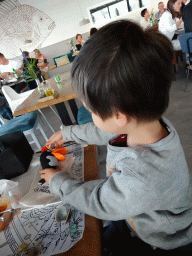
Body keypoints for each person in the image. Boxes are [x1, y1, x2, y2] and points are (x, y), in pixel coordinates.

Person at [40, 20, 192, 253]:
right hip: (136, 214)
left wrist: (57, 181)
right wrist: (68, 132)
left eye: (91, 110)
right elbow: (103, 131)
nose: (90, 114)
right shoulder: (146, 122)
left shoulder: (143, 176)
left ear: (119, 115)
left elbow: (99, 201)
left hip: (160, 240)